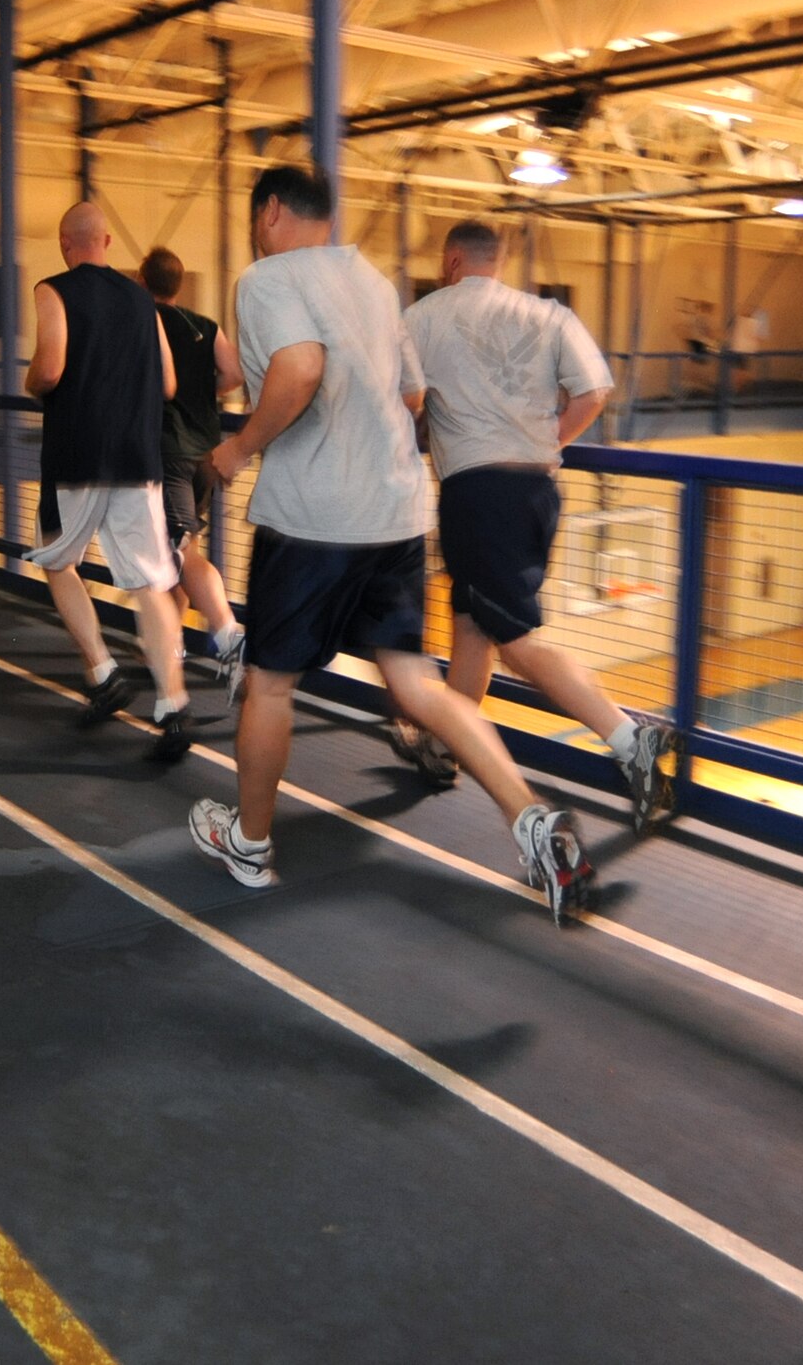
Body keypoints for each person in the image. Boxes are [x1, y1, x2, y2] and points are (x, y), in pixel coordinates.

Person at [189, 166, 593, 922]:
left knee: (271, 683)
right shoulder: (374, 284)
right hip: (398, 512)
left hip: (312, 517)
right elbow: (412, 394)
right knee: (416, 682)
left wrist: (239, 448)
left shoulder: (268, 277)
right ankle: (531, 819)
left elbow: (299, 368)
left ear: (270, 212)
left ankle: (249, 843)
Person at [401, 219, 680, 834]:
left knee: (516, 641)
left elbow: (407, 402)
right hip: (536, 491)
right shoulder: (548, 313)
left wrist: (432, 430)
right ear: (498, 261)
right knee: (473, 628)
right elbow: (594, 390)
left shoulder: (422, 317)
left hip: (477, 495)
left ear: (451, 261)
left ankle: (629, 738)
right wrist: (544, 441)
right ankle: (446, 746)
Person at [24, 202, 191, 762]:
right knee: (149, 584)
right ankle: (173, 704)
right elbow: (168, 384)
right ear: (107, 243)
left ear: (65, 244)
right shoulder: (143, 299)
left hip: (77, 453)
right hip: (137, 456)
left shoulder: (53, 290)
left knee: (56, 560)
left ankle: (101, 672)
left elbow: (50, 369)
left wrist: (31, 382)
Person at [137, 246, 247, 693]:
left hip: (167, 451)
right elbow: (234, 373)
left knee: (181, 553)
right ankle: (170, 648)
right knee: (180, 551)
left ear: (142, 281)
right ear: (178, 284)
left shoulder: (142, 322)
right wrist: (202, 390)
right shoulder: (204, 325)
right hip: (204, 452)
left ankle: (228, 634)